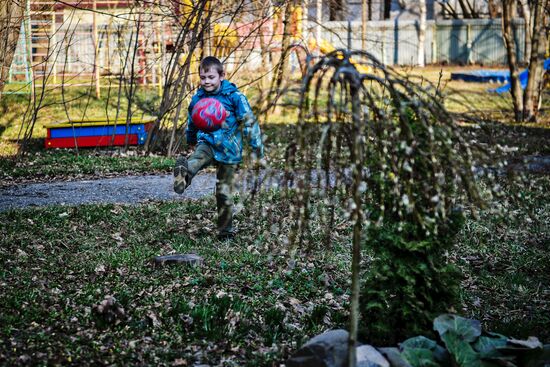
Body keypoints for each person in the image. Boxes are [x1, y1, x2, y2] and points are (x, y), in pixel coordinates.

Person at [173, 56, 264, 240]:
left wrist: (257, 148)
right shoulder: (198, 97)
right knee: (196, 159)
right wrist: (190, 137)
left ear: (222, 76)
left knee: (223, 192)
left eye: (211, 77)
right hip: (207, 142)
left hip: (230, 149)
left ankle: (225, 232)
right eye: (203, 77)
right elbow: (193, 120)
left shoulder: (234, 97)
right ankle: (184, 175)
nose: (206, 82)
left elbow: (249, 122)